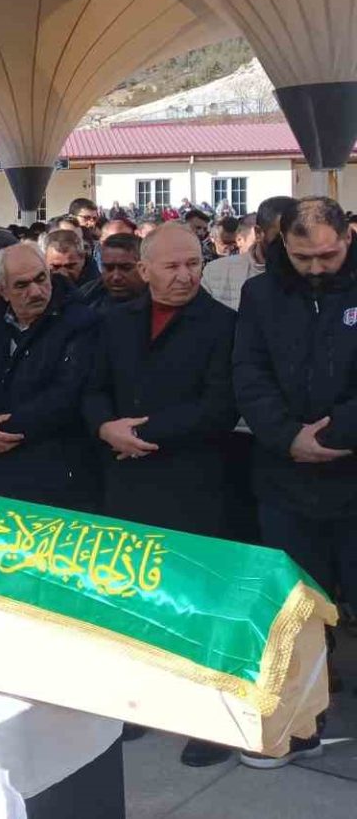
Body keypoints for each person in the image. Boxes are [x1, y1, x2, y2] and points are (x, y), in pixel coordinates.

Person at [80, 221, 238, 768]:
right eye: (172, 266)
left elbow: (219, 407)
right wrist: (105, 427)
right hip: (125, 482)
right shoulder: (114, 320)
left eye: (194, 264)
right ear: (144, 270)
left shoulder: (224, 325)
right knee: (135, 598)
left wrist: (140, 436)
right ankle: (137, 703)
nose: (185, 276)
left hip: (192, 484)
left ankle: (207, 721)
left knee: (195, 605)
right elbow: (92, 388)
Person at [234, 197, 357, 769]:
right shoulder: (260, 294)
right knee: (297, 607)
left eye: (327, 256)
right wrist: (287, 437)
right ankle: (302, 719)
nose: (315, 268)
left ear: (347, 238)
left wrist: (335, 435)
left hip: (352, 465)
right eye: (303, 256)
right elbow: (248, 372)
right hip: (285, 475)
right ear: (283, 244)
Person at [0, 241, 101, 509]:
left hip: (54, 469)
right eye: (21, 285)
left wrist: (3, 431)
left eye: (41, 279)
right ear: (0, 290)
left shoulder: (80, 322)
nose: (35, 291)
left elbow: (67, 392)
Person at [203, 196, 297, 311]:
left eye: (300, 235)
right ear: (258, 233)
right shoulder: (216, 272)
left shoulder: (310, 273)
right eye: (281, 236)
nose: (292, 243)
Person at [80, 233, 146, 312]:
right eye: (109, 268)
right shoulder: (85, 296)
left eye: (126, 268)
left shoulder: (156, 305)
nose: (116, 277)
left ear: (143, 268)